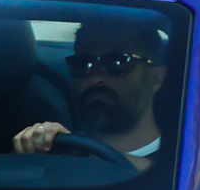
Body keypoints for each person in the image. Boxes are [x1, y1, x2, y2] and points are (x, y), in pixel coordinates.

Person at [12, 16, 169, 171]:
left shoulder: (183, 161)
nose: (95, 79)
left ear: (155, 78)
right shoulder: (60, 150)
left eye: (117, 63)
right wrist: (37, 146)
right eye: (82, 64)